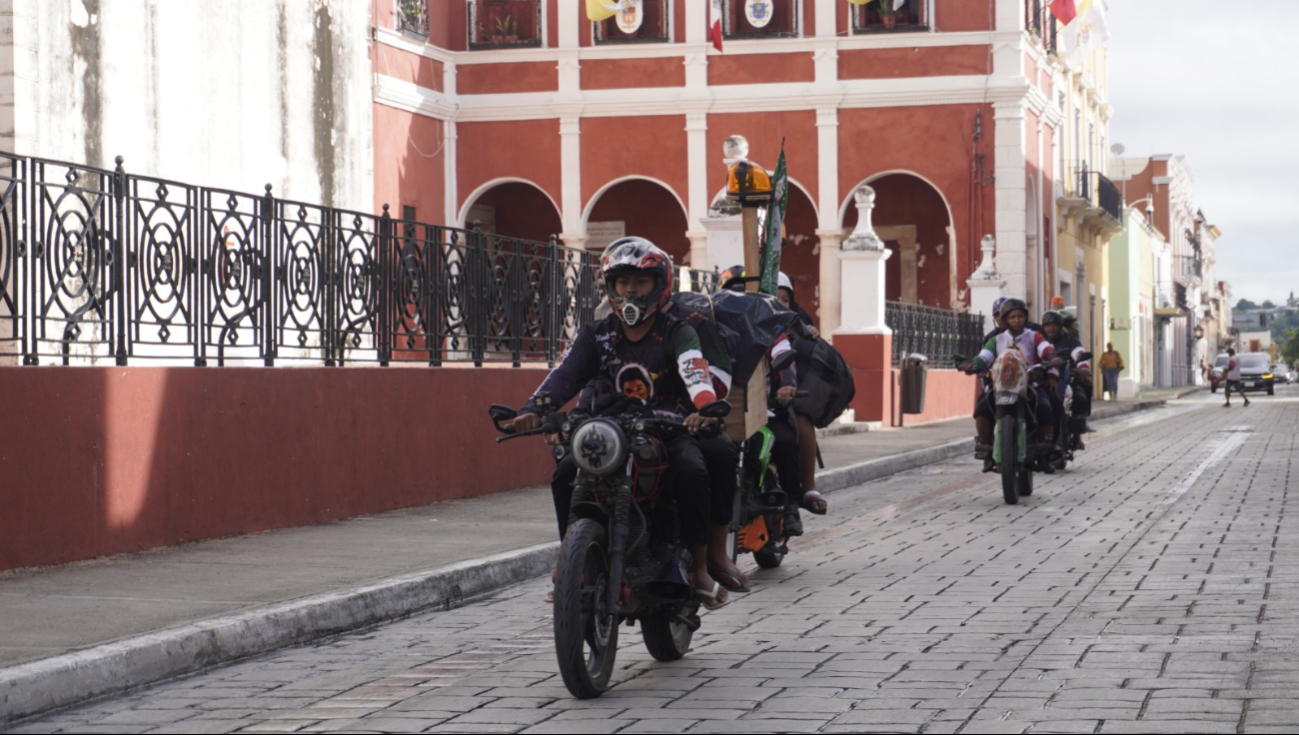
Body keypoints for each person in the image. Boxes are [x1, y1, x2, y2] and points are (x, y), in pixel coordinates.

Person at [507, 237, 733, 609]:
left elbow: (695, 371)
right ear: (610, 287)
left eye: (640, 282)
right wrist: (533, 408)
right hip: (608, 429)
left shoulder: (678, 330)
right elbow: (565, 375)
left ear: (660, 285)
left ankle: (699, 566)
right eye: (622, 282)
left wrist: (704, 408)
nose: (631, 290)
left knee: (692, 470)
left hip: (668, 427)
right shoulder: (598, 334)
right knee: (566, 473)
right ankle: (572, 563)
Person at [960, 298, 1056, 473]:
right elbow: (984, 355)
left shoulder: (1034, 336)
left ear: (1025, 317)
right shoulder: (996, 340)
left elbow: (1045, 348)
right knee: (981, 410)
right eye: (1012, 317)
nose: (1016, 320)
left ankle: (1043, 453)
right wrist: (974, 364)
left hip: (1029, 383)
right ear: (1004, 319)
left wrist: (1051, 356)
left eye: (1020, 316)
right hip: (1001, 386)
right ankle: (987, 450)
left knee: (1045, 408)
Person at [774, 272, 828, 522]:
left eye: (786, 299)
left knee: (799, 423)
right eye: (774, 298)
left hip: (785, 398)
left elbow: (797, 362)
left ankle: (803, 490)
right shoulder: (740, 327)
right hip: (745, 401)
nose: (780, 304)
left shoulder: (797, 324)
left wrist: (811, 335)